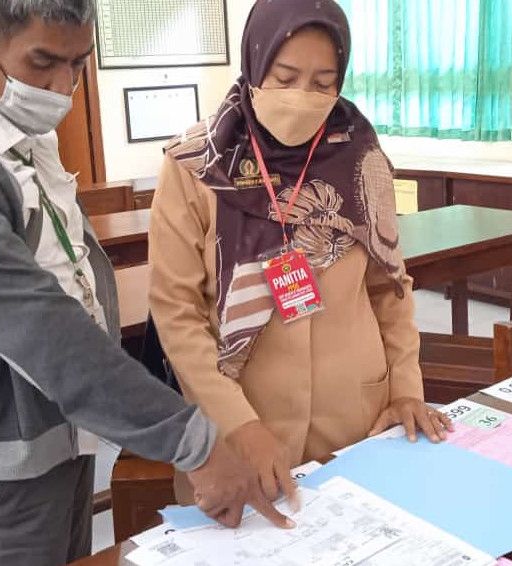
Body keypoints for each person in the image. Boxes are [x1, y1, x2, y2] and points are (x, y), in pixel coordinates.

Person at [0, 1, 290, 564]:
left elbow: (69, 268)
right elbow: (32, 318)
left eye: (78, 64)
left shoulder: (19, 125)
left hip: (62, 432)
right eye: (44, 62)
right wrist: (193, 443)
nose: (63, 86)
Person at [149, 0, 454, 506]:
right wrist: (239, 425)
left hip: (359, 420)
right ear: (253, 65)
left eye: (322, 82)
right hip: (241, 430)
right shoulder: (196, 166)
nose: (302, 97)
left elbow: (390, 289)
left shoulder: (362, 159)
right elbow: (177, 317)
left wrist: (405, 388)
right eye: (285, 77)